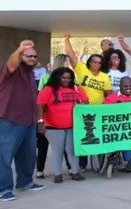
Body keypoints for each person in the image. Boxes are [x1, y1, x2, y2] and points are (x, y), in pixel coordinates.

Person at [0, 40, 46, 202]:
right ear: (21, 57)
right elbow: (12, 62)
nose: (32, 58)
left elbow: (35, 99)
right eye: (28, 56)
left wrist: (39, 120)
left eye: (35, 56)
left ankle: (25, 182)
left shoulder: (30, 74)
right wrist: (20, 49)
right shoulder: (11, 70)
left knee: (27, 155)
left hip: (28, 121)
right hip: (9, 120)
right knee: (4, 156)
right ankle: (3, 189)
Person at [36, 67, 88, 183]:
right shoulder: (49, 89)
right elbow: (40, 105)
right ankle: (57, 174)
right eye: (63, 78)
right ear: (57, 78)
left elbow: (85, 102)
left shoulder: (76, 88)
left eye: (69, 78)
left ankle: (75, 172)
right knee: (58, 150)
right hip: (53, 126)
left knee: (72, 150)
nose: (66, 80)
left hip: (73, 125)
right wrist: (40, 122)